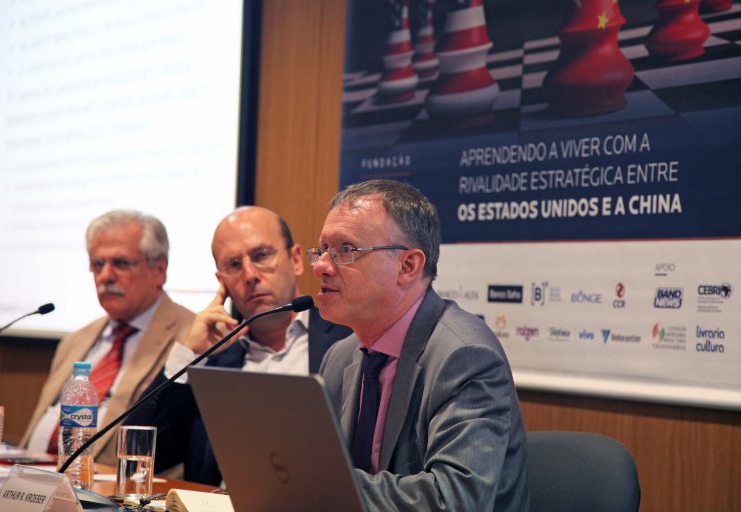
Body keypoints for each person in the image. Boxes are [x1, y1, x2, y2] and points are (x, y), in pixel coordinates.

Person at [310, 179, 529, 510]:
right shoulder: (339, 358)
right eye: (322, 250)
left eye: (346, 250)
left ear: (407, 266)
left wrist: (322, 484)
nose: (321, 266)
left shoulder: (465, 357)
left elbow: (453, 499)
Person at [127, 206, 351, 485]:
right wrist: (190, 354)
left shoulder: (347, 344)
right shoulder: (213, 360)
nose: (249, 275)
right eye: (233, 265)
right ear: (222, 282)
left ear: (295, 260)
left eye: (261, 256)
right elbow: (138, 453)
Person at [21, 210, 195, 466]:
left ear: (159, 269)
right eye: (97, 264)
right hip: (31, 474)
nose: (105, 276)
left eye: (121, 263)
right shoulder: (75, 341)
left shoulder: (192, 337)